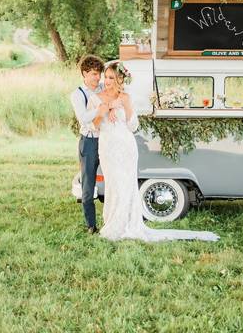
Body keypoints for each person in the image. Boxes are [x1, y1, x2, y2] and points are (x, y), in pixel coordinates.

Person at [96, 60, 219, 242]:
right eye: (105, 77)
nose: (107, 81)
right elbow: (95, 125)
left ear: (120, 79)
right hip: (107, 147)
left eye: (111, 77)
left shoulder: (126, 98)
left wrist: (123, 106)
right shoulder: (98, 97)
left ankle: (125, 224)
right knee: (113, 184)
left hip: (125, 146)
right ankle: (112, 222)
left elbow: (133, 126)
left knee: (126, 185)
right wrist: (106, 108)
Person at [70, 54, 106, 234]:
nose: (97, 77)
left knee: (112, 179)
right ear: (84, 73)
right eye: (93, 74)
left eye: (99, 73)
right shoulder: (78, 94)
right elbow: (83, 118)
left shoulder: (103, 87)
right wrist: (99, 110)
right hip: (90, 142)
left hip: (107, 139)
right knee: (88, 183)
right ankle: (91, 225)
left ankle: (114, 219)